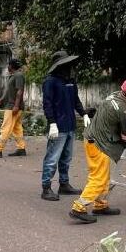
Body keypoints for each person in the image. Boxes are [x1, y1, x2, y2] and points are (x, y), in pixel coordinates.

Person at [69, 78, 126, 224]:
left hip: (92, 139)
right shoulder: (125, 112)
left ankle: (100, 205)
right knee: (98, 179)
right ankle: (78, 207)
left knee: (103, 177)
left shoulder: (115, 95)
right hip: (99, 145)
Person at [38, 51, 91, 201]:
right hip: (58, 127)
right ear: (59, 65)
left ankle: (64, 184)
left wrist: (84, 114)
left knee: (66, 158)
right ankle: (46, 187)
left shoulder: (71, 81)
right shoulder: (50, 81)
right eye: (67, 64)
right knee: (52, 158)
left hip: (70, 125)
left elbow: (76, 100)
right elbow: (47, 104)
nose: (70, 66)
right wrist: (52, 123)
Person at [0, 59, 28, 158]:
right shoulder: (12, 76)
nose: (7, 67)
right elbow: (7, 91)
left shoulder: (18, 75)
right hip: (12, 105)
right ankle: (21, 149)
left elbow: (20, 91)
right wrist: (0, 101)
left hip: (13, 107)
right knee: (17, 129)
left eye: (8, 65)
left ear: (11, 66)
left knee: (6, 128)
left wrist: (16, 105)